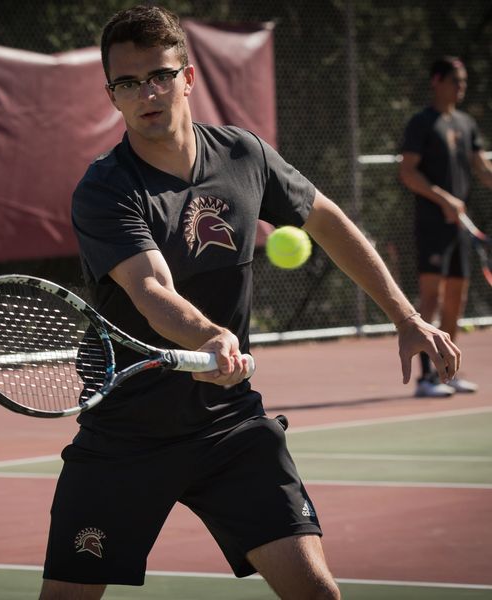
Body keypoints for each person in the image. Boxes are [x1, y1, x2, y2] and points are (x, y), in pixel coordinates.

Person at [40, 7, 461, 599]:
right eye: (127, 83)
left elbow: (328, 221)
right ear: (112, 95)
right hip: (125, 432)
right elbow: (151, 288)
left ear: (187, 77)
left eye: (160, 75)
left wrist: (405, 315)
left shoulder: (244, 155)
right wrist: (211, 338)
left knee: (318, 593)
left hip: (229, 426)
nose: (146, 93)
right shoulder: (106, 188)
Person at [399, 56, 492, 398]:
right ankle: (425, 379)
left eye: (464, 81)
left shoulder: (466, 123)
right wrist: (444, 200)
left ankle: (446, 374)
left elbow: (481, 169)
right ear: (437, 81)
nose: (462, 87)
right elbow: (408, 172)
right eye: (456, 80)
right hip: (432, 225)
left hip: (459, 228)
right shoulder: (422, 122)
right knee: (431, 298)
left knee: (456, 298)